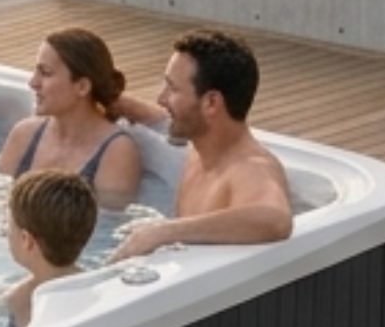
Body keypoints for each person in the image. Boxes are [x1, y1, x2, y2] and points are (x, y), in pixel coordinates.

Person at [110, 30, 294, 258]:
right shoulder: (200, 149)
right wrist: (110, 100)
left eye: (172, 88)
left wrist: (163, 232)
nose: (161, 98)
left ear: (211, 103)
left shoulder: (250, 168)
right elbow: (160, 117)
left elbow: (275, 220)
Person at [0, 27, 151, 212]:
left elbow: (107, 227)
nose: (33, 83)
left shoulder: (116, 151)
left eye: (45, 73)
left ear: (82, 87)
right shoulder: (24, 134)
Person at [0, 167, 97, 327]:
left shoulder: (20, 301)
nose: (5, 233)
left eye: (9, 226)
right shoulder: (99, 291)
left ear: (26, 240)